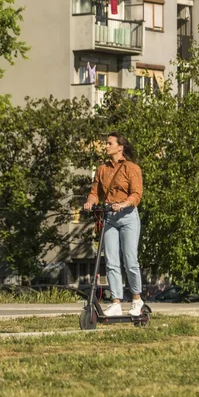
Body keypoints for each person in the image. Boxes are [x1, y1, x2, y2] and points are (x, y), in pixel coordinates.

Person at [84, 131, 143, 316]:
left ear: (120, 146)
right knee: (111, 261)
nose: (106, 146)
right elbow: (95, 192)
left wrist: (123, 204)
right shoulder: (102, 169)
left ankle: (136, 299)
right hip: (110, 217)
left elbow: (136, 194)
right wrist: (90, 202)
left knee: (130, 260)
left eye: (109, 143)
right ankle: (116, 301)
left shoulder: (131, 168)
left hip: (127, 216)